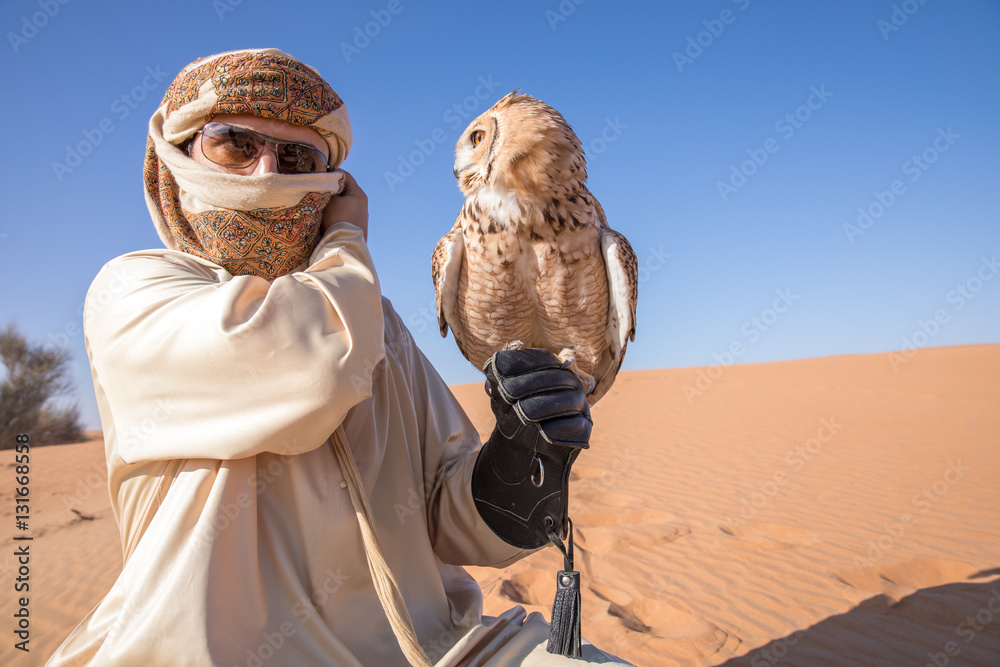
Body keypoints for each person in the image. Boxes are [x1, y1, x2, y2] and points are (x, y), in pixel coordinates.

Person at [47, 48, 631, 666]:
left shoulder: (370, 320)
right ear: (177, 155)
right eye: (235, 145)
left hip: (438, 647)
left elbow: (447, 512)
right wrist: (347, 238)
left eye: (298, 158)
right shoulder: (136, 290)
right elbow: (313, 367)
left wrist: (518, 463)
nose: (267, 173)